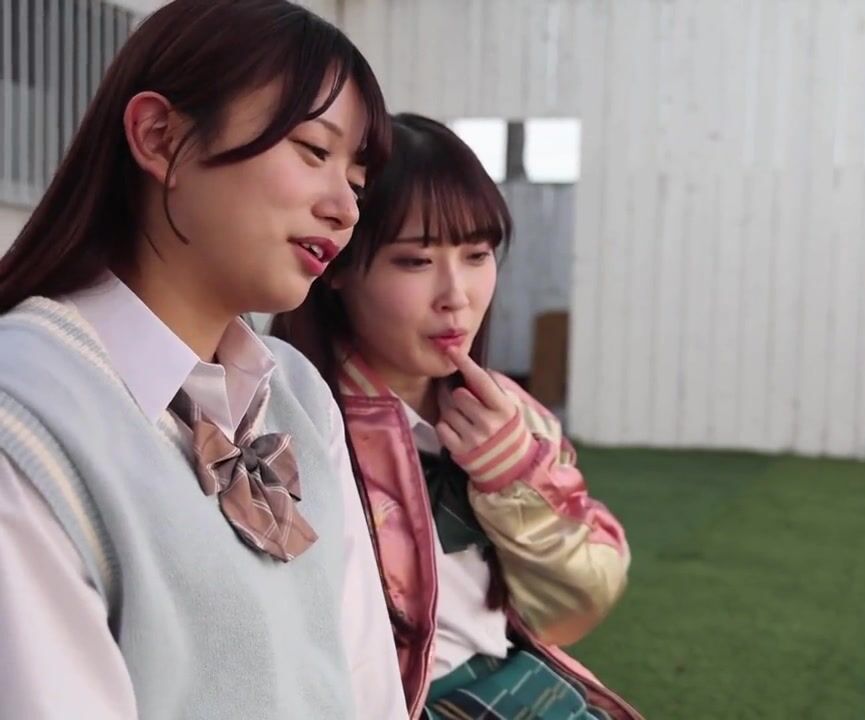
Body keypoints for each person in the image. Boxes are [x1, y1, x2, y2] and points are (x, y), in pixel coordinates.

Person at [0, 1, 407, 717]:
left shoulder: (298, 398)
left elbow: (366, 688)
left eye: (358, 180)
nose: (346, 208)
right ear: (159, 137)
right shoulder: (27, 417)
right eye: (313, 151)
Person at [272, 113, 641, 719]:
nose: (456, 295)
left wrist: (516, 478)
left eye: (477, 255)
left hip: (519, 681)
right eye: (415, 261)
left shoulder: (507, 414)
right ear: (336, 264)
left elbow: (576, 606)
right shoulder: (286, 422)